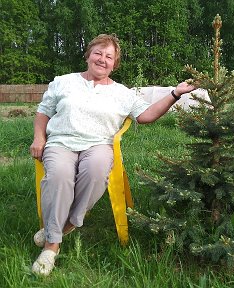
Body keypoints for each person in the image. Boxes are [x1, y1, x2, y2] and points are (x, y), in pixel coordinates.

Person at [29, 33, 196, 276]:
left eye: (109, 56)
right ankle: (51, 247)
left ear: (114, 64)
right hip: (61, 142)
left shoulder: (123, 93)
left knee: (96, 171)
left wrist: (176, 93)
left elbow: (146, 116)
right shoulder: (63, 81)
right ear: (88, 55)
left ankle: (62, 227)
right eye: (98, 53)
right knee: (59, 176)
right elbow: (43, 112)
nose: (102, 59)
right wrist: (39, 137)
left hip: (98, 144)